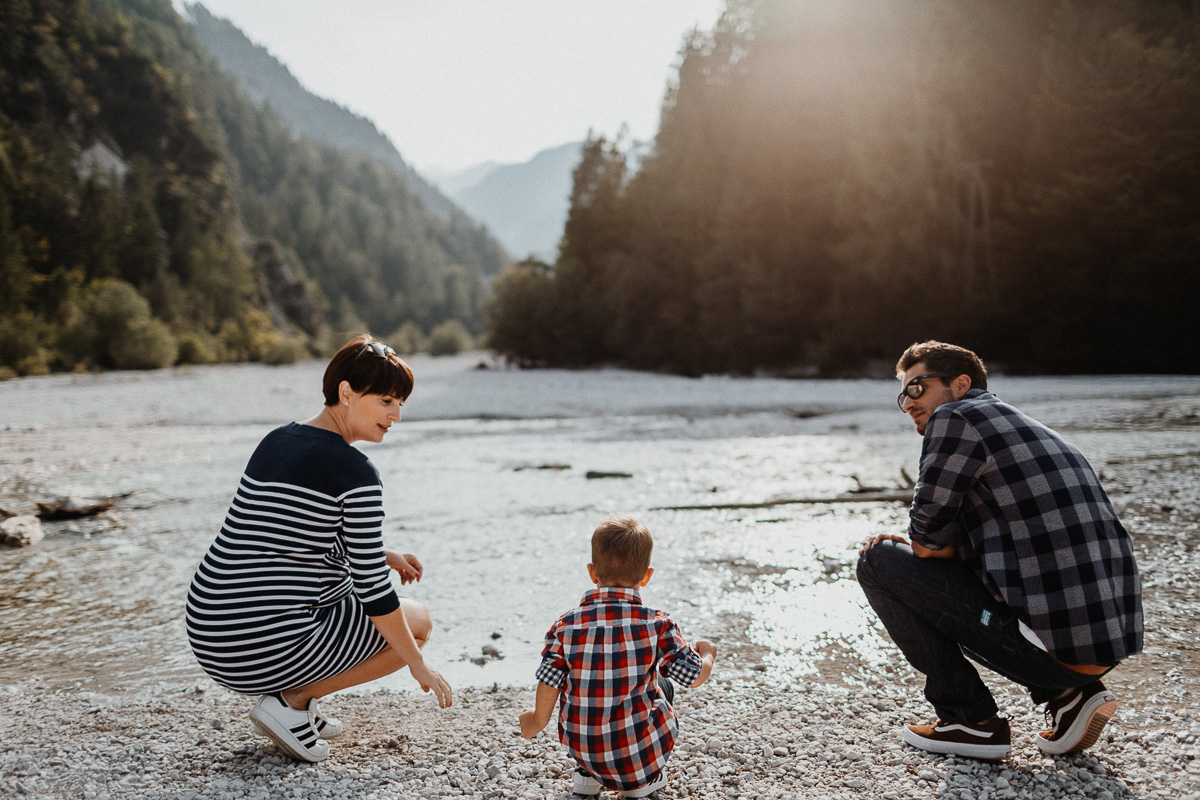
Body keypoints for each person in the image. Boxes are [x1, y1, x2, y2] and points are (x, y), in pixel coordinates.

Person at [857, 341, 1142, 760]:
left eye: (916, 388)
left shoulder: (954, 418)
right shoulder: (1031, 428)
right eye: (903, 395)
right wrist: (935, 549)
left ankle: (969, 721)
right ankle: (1069, 697)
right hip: (1104, 645)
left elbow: (926, 540)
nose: (908, 405)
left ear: (960, 383)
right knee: (954, 569)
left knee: (878, 561)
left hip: (1058, 650)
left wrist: (924, 548)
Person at [185, 334, 452, 763]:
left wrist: (386, 554)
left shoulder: (277, 440)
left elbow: (287, 533)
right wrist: (416, 662)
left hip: (210, 631)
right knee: (416, 621)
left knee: (331, 584)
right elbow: (372, 589)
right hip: (259, 640)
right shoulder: (357, 472)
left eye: (400, 403)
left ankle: (301, 704)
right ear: (346, 393)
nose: (397, 415)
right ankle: (293, 700)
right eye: (386, 401)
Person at [519, 514, 717, 797]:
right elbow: (694, 677)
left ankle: (587, 775)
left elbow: (550, 680)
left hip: (583, 748)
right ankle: (642, 779)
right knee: (664, 684)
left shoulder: (566, 625)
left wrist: (536, 720)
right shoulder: (657, 624)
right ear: (647, 576)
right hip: (637, 756)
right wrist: (708, 654)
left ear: (592, 572)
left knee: (590, 685)